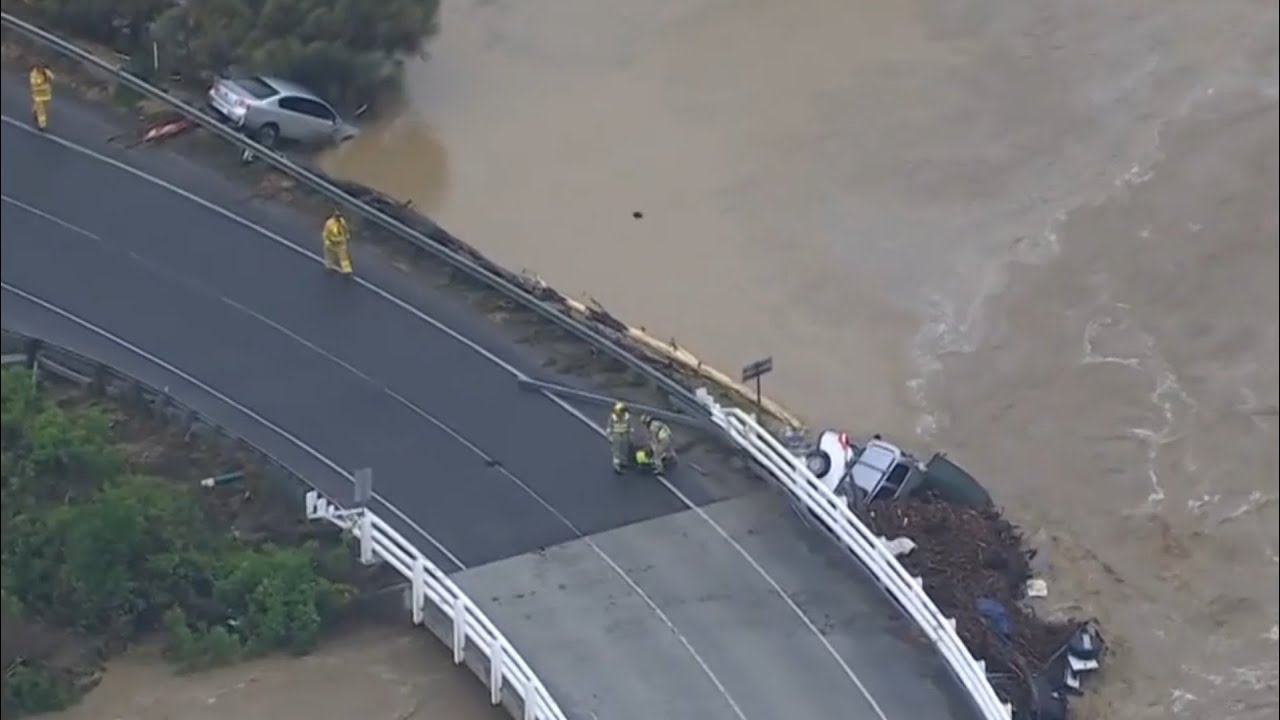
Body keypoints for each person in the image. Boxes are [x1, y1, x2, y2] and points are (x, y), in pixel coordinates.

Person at [322, 210, 353, 275]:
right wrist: (327, 242)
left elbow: (345, 228)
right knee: (329, 255)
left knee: (343, 255)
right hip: (332, 241)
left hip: (340, 241)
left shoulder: (342, 221)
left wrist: (347, 235)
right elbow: (325, 233)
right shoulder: (329, 224)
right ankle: (330, 265)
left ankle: (346, 269)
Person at [607, 402, 631, 473]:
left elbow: (629, 425)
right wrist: (609, 435)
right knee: (616, 449)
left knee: (624, 448)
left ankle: (623, 461)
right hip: (616, 434)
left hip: (625, 434)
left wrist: (630, 434)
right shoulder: (613, 417)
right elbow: (609, 426)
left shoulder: (627, 416)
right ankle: (616, 464)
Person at [29, 63, 54, 131]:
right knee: (41, 111)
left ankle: (35, 110)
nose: (41, 69)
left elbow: (52, 78)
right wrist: (43, 85)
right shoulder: (34, 75)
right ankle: (42, 125)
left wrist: (49, 77)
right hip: (38, 95)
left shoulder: (46, 72)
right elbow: (35, 84)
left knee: (44, 108)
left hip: (46, 95)